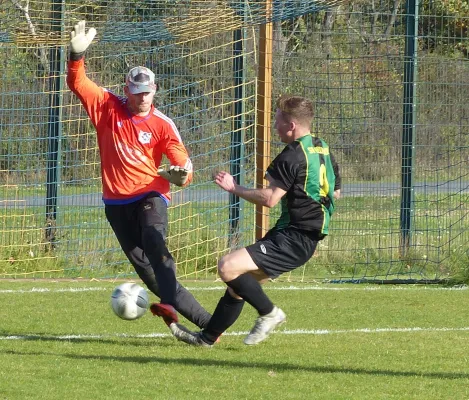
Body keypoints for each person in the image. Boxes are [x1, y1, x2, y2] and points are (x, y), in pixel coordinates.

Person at [66, 20, 211, 332]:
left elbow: (182, 162)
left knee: (153, 240)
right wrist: (75, 57)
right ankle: (208, 324)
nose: (142, 98)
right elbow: (78, 83)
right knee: (150, 277)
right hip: (116, 204)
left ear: (154, 90)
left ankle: (173, 306)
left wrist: (181, 175)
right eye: (136, 92)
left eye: (147, 92)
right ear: (126, 90)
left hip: (150, 195)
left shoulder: (162, 123)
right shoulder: (106, 106)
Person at [173, 94, 341, 346]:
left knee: (227, 266)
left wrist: (234, 188)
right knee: (239, 285)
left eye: (278, 121)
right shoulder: (323, 148)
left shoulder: (292, 155)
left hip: (293, 236)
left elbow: (270, 198)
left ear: (291, 125)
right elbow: (336, 192)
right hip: (305, 238)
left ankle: (269, 313)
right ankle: (206, 339)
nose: (275, 126)